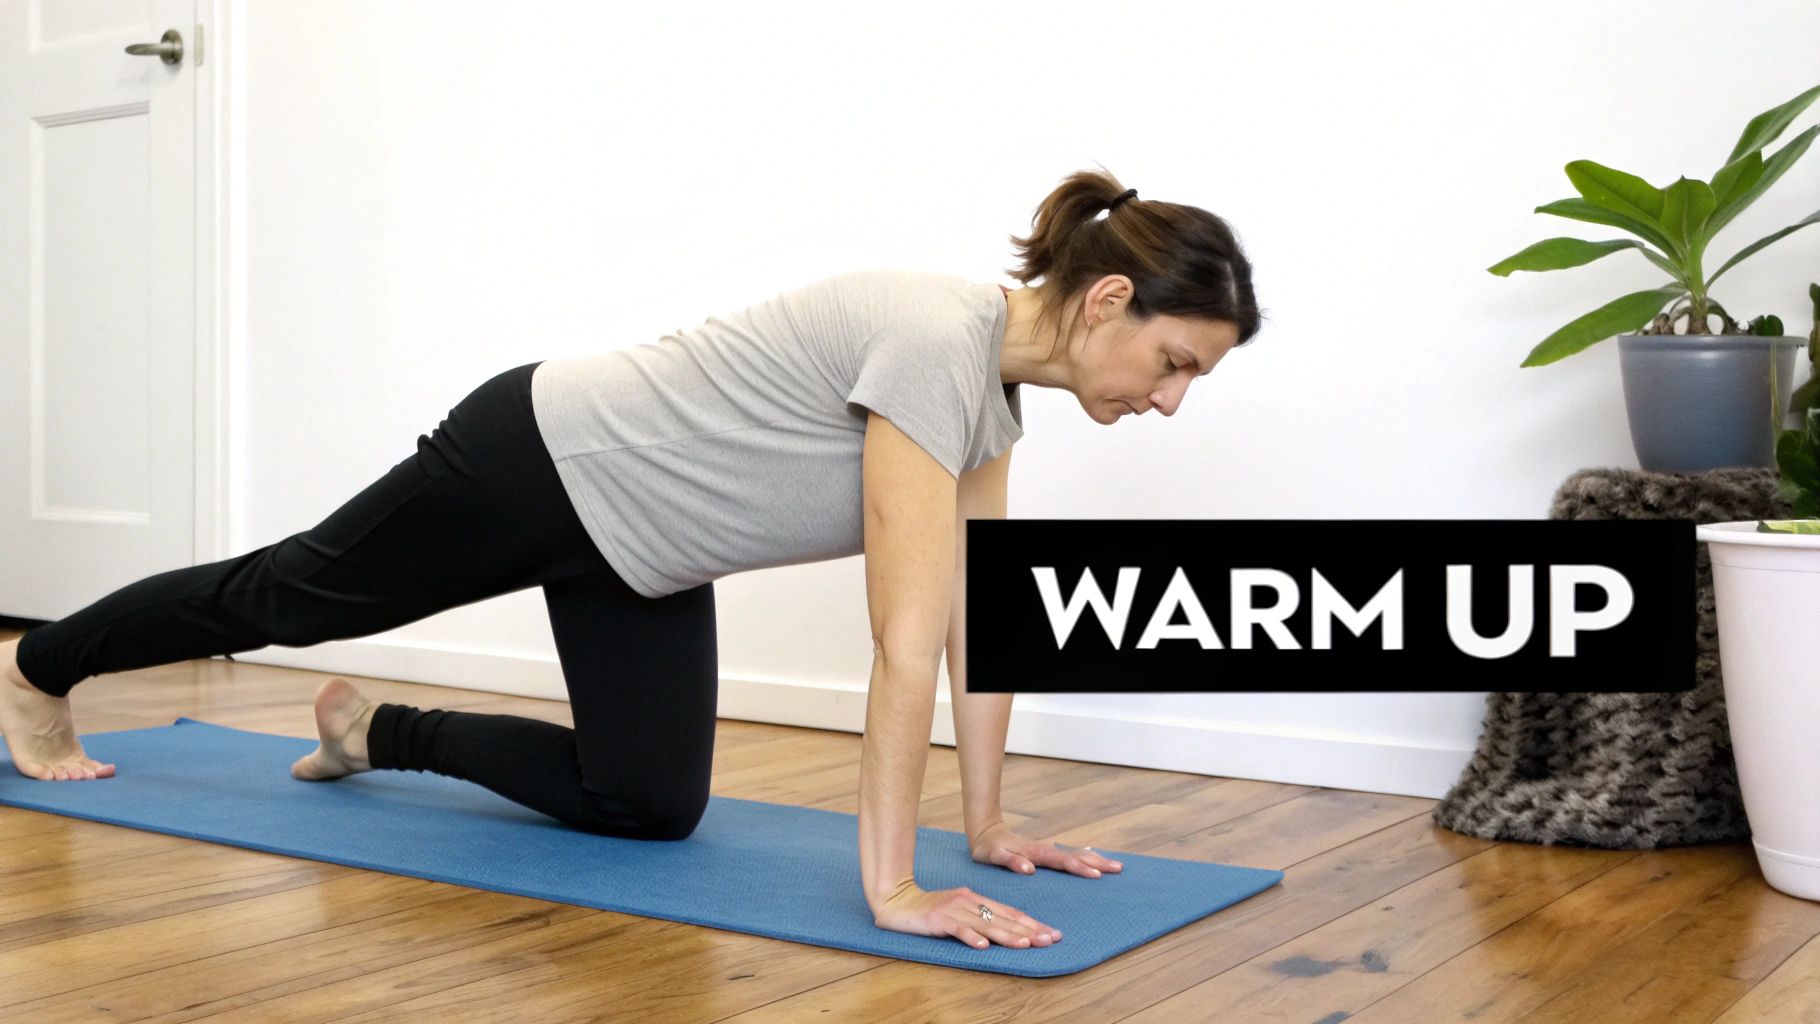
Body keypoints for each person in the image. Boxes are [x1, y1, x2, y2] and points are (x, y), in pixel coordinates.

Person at [0, 167, 1262, 952]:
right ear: (1108, 299)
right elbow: (902, 638)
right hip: (541, 456)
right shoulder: (936, 341)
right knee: (290, 593)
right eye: (1173, 364)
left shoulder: (987, 402)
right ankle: (37, 667)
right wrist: (892, 887)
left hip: (646, 549)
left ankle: (371, 731)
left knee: (648, 804)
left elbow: (981, 618)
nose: (1168, 400)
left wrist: (983, 827)